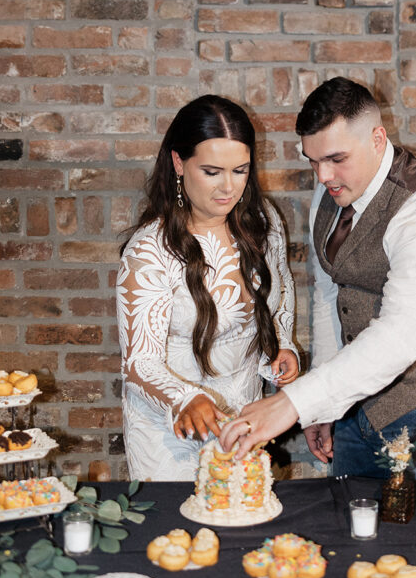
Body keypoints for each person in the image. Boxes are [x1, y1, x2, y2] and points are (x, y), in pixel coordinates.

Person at [220, 77, 416, 480]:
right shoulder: (333, 188)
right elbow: (331, 292)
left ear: (378, 139)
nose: (323, 175)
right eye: (313, 160)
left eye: (336, 158)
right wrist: (324, 408)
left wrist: (295, 402)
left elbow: (402, 332)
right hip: (352, 415)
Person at [116, 95, 299, 481]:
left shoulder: (263, 222)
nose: (229, 188)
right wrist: (186, 398)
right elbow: (140, 361)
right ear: (179, 163)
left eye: (241, 170)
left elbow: (280, 292)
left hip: (244, 418)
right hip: (171, 434)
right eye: (213, 172)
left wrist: (283, 344)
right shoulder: (151, 250)